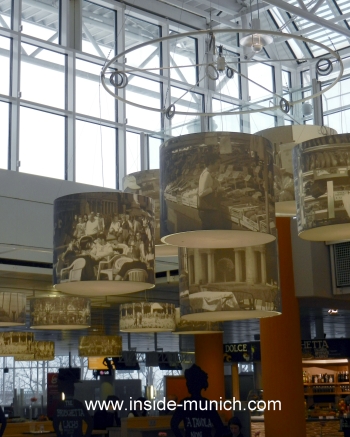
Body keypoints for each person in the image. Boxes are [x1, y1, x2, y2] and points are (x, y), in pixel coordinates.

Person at [171, 364, 225, 437]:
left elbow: (173, 424)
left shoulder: (185, 404)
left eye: (188, 381)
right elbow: (220, 427)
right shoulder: (207, 404)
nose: (187, 384)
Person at [197, 153, 225, 230]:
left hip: (208, 210)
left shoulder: (207, 173)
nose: (219, 165)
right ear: (211, 163)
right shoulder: (206, 174)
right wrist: (213, 188)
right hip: (208, 211)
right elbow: (201, 193)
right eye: (217, 163)